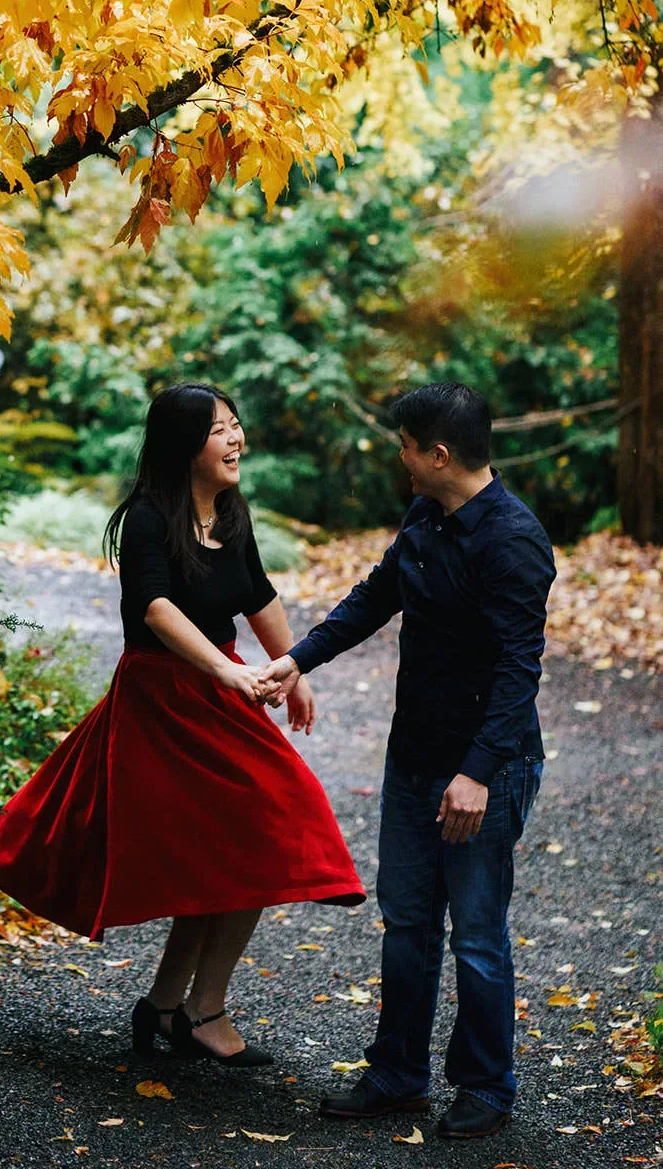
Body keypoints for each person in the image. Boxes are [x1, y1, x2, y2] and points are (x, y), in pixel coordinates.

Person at [0, 382, 364, 1066]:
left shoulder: (232, 515)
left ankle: (168, 1007)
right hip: (162, 701)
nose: (236, 438)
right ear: (186, 446)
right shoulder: (148, 518)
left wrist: (291, 668)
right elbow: (154, 607)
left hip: (219, 691)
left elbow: (258, 594)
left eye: (237, 425)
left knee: (236, 844)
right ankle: (199, 1011)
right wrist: (227, 671)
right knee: (254, 833)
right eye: (220, 429)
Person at [259, 382, 555, 1139]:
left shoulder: (512, 541)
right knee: (407, 924)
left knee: (478, 935)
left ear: (439, 454)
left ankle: (486, 1087)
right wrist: (298, 660)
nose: (400, 458)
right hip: (413, 757)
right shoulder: (428, 513)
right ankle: (396, 1077)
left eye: (405, 446)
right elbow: (374, 595)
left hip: (482, 768)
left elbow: (519, 671)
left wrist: (477, 774)